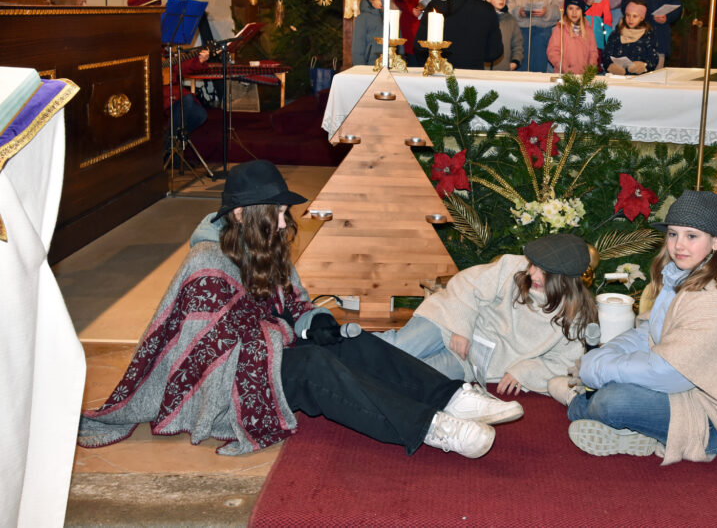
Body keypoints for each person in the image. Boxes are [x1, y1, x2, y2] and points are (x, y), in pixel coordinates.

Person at [78, 161, 522, 459]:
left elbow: (293, 306)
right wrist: (292, 333)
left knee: (349, 340)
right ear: (242, 215)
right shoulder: (206, 265)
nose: (285, 222)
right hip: (225, 388)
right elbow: (210, 355)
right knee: (312, 367)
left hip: (268, 353)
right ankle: (432, 428)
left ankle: (450, 397)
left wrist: (316, 321)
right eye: (276, 213)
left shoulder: (264, 246)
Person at [548, 190, 717, 467]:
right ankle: (631, 430)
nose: (679, 245)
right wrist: (605, 355)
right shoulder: (685, 273)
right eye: (673, 234)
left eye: (691, 236)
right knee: (614, 376)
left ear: (715, 241)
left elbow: (669, 373)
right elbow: (650, 333)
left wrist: (599, 369)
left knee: (613, 400)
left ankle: (579, 403)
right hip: (700, 388)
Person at [378, 233, 598, 397]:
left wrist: (524, 372)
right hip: (450, 320)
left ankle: (363, 388)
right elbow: (467, 284)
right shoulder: (513, 266)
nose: (532, 273)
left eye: (543, 271)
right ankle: (353, 353)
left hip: (471, 360)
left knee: (415, 379)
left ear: (565, 280)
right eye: (533, 265)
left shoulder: (576, 317)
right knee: (397, 348)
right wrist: (461, 327)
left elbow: (564, 362)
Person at [414, 0, 502, 70]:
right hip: (473, 76)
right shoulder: (487, 10)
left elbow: (420, 47)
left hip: (440, 74)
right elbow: (494, 53)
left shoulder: (436, 6)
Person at [547, 0, 598, 75]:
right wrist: (565, 68)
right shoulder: (560, 28)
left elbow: (593, 53)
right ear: (566, 10)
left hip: (583, 77)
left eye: (578, 9)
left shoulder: (588, 30)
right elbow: (553, 52)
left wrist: (590, 70)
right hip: (564, 75)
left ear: (582, 11)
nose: (574, 12)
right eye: (571, 8)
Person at [602, 0, 660, 75]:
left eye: (635, 16)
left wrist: (643, 66)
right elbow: (606, 55)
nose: (630, 19)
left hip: (640, 78)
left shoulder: (648, 36)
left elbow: (653, 58)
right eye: (628, 15)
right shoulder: (616, 35)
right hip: (617, 78)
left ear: (642, 18)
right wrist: (610, 66)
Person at [484, 0, 523, 71]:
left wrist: (515, 61)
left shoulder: (511, 20)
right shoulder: (481, 18)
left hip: (503, 68)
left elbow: (518, 44)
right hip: (483, 69)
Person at [352, 0, 386, 66]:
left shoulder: (391, 16)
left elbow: (398, 41)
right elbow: (358, 48)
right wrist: (360, 68)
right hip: (370, 65)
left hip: (391, 64)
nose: (381, 1)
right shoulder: (363, 18)